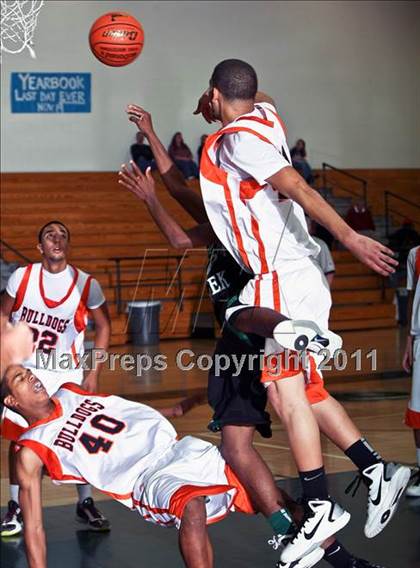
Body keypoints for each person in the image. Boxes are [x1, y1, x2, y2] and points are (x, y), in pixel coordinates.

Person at [119, 105, 398, 567]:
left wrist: (150, 199)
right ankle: (360, 490)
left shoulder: (237, 229)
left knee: (249, 427)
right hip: (246, 340)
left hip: (253, 326)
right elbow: (179, 189)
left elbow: (176, 231)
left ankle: (314, 526)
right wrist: (150, 132)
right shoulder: (222, 217)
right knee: (291, 408)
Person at [195, 59, 404, 563]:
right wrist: (220, 99)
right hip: (298, 277)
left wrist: (350, 236)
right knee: (306, 391)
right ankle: (376, 471)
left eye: (211, 99)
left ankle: (317, 507)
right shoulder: (266, 115)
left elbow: (298, 187)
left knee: (286, 394)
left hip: (283, 279)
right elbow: (253, 92)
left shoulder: (239, 141)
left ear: (215, 94)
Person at [0, 221, 111, 536]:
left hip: (67, 372)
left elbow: (104, 327)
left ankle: (85, 502)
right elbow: (2, 314)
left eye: (63, 235)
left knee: (75, 438)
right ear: (40, 246)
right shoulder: (23, 277)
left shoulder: (86, 284)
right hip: (27, 370)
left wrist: (94, 371)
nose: (57, 239)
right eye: (50, 234)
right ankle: (16, 505)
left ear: (68, 245)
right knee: (20, 440)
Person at [402, 245, 420, 497]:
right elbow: (412, 295)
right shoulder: (415, 254)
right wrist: (408, 338)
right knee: (418, 409)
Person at [307, 218, 336, 286]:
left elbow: (329, 271)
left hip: (316, 287)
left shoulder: (320, 244)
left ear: (310, 227)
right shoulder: (290, 244)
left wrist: (325, 291)